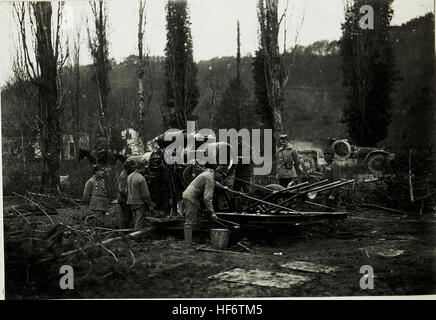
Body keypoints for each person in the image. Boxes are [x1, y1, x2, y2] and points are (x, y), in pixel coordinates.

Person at [181, 167, 227, 244]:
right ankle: (187, 244)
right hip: (191, 198)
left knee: (195, 220)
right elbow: (207, 198)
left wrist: (222, 187)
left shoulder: (209, 174)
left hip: (190, 196)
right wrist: (212, 212)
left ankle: (194, 239)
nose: (222, 178)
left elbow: (215, 182)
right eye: (222, 176)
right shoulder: (210, 179)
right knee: (189, 222)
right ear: (218, 172)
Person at [127, 158, 153, 230]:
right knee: (139, 221)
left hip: (130, 201)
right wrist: (150, 203)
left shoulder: (129, 176)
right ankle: (137, 237)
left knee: (135, 219)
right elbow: (145, 194)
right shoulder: (141, 178)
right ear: (142, 168)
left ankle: (133, 235)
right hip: (139, 202)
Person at [118, 158, 136, 229]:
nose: (133, 168)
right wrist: (132, 194)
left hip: (127, 199)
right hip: (124, 200)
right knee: (126, 218)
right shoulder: (124, 176)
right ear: (128, 167)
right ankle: (124, 234)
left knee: (129, 217)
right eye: (132, 167)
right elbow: (122, 190)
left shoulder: (128, 174)